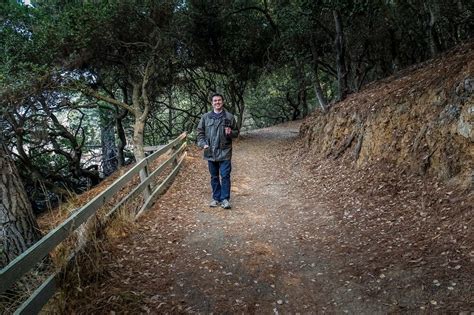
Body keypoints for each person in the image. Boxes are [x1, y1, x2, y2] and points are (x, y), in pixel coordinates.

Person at [196, 93, 239, 209]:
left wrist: (230, 133)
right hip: (210, 151)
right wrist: (203, 143)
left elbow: (236, 132)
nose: (217, 102)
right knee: (214, 176)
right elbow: (200, 133)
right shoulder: (205, 117)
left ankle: (225, 199)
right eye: (215, 101)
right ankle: (216, 198)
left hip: (225, 151)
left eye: (219, 100)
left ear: (223, 102)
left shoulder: (229, 117)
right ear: (212, 103)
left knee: (225, 175)